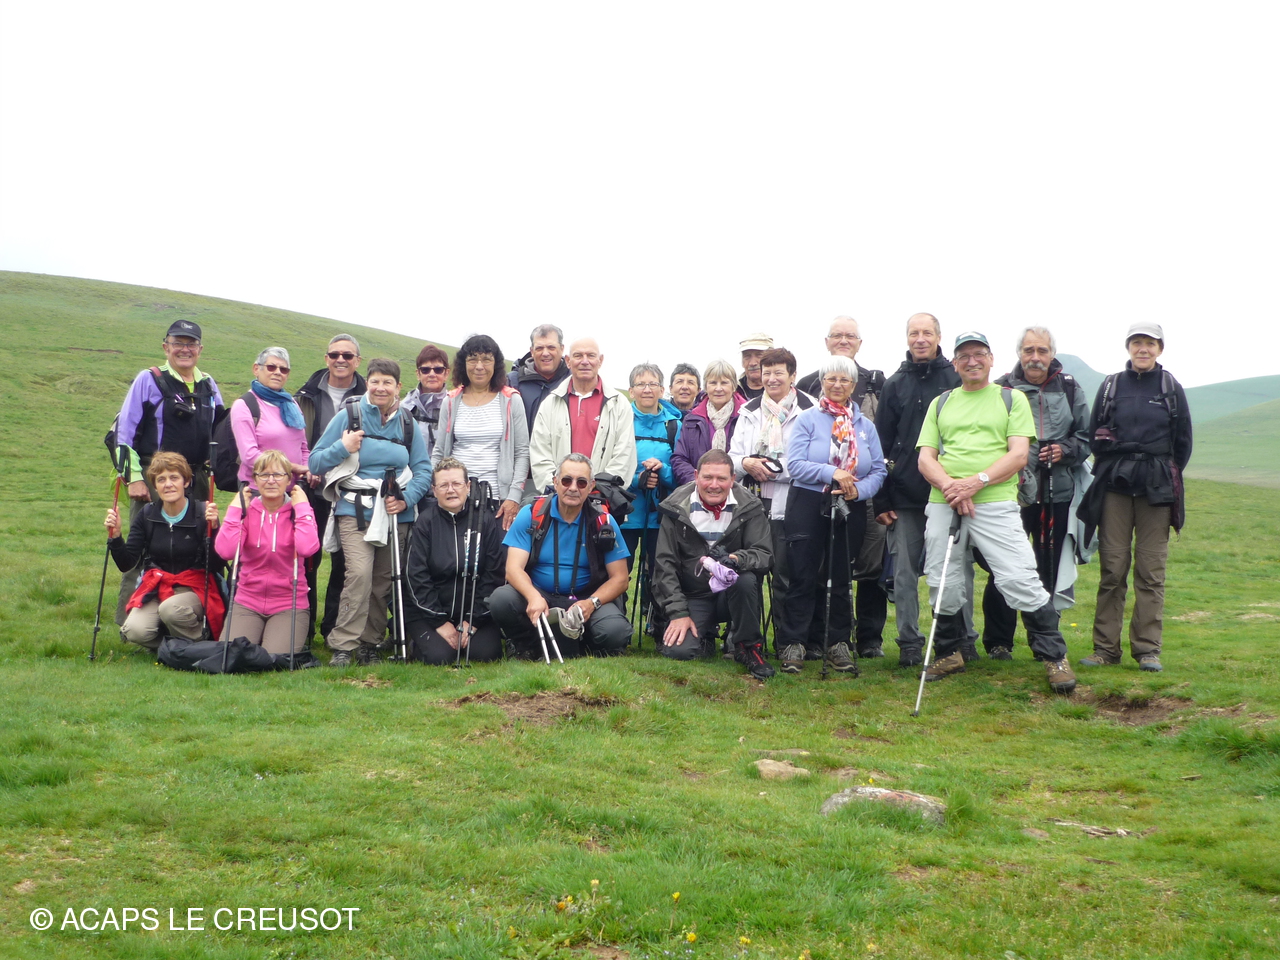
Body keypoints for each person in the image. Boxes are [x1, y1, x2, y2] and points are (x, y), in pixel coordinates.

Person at [915, 332, 1077, 695]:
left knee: (1018, 576)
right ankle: (949, 653)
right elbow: (926, 458)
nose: (972, 361)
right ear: (955, 364)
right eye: (964, 356)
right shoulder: (941, 403)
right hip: (944, 501)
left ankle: (1053, 656)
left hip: (995, 501)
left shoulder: (1010, 399)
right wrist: (952, 487)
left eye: (979, 354)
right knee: (943, 580)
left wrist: (975, 483)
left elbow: (1018, 455)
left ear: (991, 360)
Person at [1080, 322, 1192, 673]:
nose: (1143, 349)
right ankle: (1105, 650)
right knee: (1112, 569)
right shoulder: (1111, 385)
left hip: (1156, 488)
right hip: (1115, 485)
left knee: (1150, 571)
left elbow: (1183, 442)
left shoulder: (1170, 387)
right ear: (1128, 347)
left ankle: (1147, 651)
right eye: (1137, 342)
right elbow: (1094, 435)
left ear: (1160, 349)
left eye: (1150, 343)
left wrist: (1163, 471)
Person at [309, 358, 432, 666]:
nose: (380, 387)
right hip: (355, 510)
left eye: (387, 382)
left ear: (398, 387)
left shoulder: (407, 422)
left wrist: (406, 499)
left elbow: (423, 469)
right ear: (368, 383)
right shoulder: (349, 416)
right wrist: (344, 446)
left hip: (395, 513)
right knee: (359, 575)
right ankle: (343, 645)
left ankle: (369, 644)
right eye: (375, 381)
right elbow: (316, 462)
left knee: (382, 581)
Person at [978, 326, 1091, 659]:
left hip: (1058, 492)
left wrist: (1064, 450)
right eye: (1029, 350)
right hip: (1010, 492)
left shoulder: (1069, 387)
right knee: (1003, 567)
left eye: (1042, 351)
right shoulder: (1002, 389)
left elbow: (1086, 437)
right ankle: (999, 642)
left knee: (1048, 568)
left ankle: (1044, 643)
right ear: (1019, 353)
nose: (1035, 357)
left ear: (1051, 354)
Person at [873, 313, 977, 666]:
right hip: (904, 494)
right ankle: (909, 642)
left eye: (927, 333)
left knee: (957, 568)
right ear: (907, 338)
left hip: (951, 492)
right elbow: (882, 445)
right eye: (914, 333)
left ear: (938, 337)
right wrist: (881, 500)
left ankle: (964, 639)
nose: (920, 339)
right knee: (904, 572)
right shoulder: (894, 384)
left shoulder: (956, 378)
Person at [778, 357, 886, 674]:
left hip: (849, 505)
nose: (837, 385)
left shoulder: (865, 426)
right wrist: (832, 473)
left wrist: (859, 491)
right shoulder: (807, 420)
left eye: (844, 380)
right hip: (809, 501)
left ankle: (838, 642)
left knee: (841, 576)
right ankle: (794, 642)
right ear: (822, 383)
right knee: (802, 574)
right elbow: (795, 465)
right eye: (831, 379)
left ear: (853, 386)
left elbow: (878, 471)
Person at [112, 319, 223, 625]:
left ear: (200, 349)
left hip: (197, 479)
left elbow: (219, 431)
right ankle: (131, 622)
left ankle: (197, 618)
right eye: (178, 343)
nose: (185, 350)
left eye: (191, 344)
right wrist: (135, 478)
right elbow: (124, 433)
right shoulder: (149, 379)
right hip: (154, 478)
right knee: (142, 550)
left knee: (200, 548)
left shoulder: (209, 385)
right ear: (166, 347)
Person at [797, 316, 890, 658]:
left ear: (860, 343)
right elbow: (798, 456)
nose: (843, 340)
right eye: (837, 335)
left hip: (862, 496)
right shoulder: (808, 385)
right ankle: (814, 638)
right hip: (815, 497)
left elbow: (882, 452)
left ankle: (866, 639)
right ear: (826, 341)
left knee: (865, 569)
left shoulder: (877, 382)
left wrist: (866, 491)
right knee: (814, 569)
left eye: (850, 335)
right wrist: (831, 474)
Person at [490, 454, 633, 658]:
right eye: (566, 480)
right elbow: (513, 569)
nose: (573, 488)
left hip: (585, 596)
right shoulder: (531, 514)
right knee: (501, 600)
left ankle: (582, 643)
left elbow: (620, 579)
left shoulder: (604, 521)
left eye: (581, 482)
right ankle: (524, 644)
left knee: (616, 631)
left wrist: (591, 603)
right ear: (555, 482)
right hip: (540, 594)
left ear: (591, 486)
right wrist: (533, 596)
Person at [651, 450, 776, 679]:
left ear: (733, 479)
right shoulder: (675, 507)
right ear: (696, 476)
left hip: (732, 592)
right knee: (679, 652)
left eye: (721, 478)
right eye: (707, 477)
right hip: (693, 594)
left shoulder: (750, 506)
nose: (714, 485)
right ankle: (705, 634)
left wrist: (736, 559)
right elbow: (664, 565)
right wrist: (678, 613)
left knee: (746, 579)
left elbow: (764, 554)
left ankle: (748, 647)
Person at [729, 347, 815, 652]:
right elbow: (733, 456)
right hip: (752, 506)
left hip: (791, 506)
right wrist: (746, 464)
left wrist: (772, 469)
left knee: (785, 578)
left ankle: (787, 641)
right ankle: (745, 640)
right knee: (748, 574)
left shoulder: (810, 409)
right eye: (767, 373)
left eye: (779, 372)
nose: (772, 378)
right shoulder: (748, 410)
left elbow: (812, 460)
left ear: (793, 376)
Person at [105, 451, 223, 650]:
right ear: (155, 485)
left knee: (170, 609)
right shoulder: (147, 514)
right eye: (161, 479)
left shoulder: (202, 512)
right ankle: (175, 648)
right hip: (158, 586)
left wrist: (215, 529)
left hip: (195, 588)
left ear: (186, 482)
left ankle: (202, 645)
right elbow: (127, 563)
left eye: (174, 478)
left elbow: (217, 564)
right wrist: (116, 537)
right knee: (134, 630)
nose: (168, 484)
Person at [295, 334, 367, 641]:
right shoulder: (305, 395)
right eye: (335, 354)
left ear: (357, 361)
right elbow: (298, 438)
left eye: (347, 355)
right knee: (309, 558)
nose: (340, 359)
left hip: (351, 490)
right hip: (312, 489)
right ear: (326, 358)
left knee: (345, 561)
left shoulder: (370, 395)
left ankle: (333, 629)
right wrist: (308, 468)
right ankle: (303, 628)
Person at [216, 450, 320, 658]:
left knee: (275, 659)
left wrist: (302, 506)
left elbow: (307, 548)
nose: (271, 480)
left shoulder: (299, 511)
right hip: (247, 601)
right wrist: (235, 510)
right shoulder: (246, 511)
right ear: (255, 480)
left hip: (289, 603)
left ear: (288, 480)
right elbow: (225, 551)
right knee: (232, 656)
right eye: (264, 475)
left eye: (278, 475)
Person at [404, 458, 506, 664]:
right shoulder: (425, 522)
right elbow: (416, 576)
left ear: (467, 486)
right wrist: (440, 622)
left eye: (456, 484)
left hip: (474, 613)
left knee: (485, 654)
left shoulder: (485, 520)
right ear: (434, 491)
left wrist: (473, 621)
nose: (451, 490)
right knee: (440, 656)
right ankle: (414, 640)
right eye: (443, 485)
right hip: (430, 613)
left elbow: (494, 573)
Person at [431, 334, 530, 531]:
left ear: (496, 364)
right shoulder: (450, 401)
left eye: (486, 359)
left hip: (498, 502)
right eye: (472, 359)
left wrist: (513, 497)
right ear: (463, 363)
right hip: (456, 499)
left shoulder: (511, 400)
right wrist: (439, 489)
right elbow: (439, 451)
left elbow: (522, 453)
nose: (479, 366)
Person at [621, 363, 684, 635]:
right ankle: (616, 625)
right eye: (640, 384)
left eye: (653, 384)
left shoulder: (674, 425)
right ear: (631, 390)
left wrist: (663, 472)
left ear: (662, 389)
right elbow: (611, 464)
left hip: (660, 513)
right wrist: (637, 479)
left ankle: (659, 626)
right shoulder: (620, 420)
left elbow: (681, 467)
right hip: (624, 512)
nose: (647, 389)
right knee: (618, 571)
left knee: (660, 572)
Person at [528, 338, 636, 495]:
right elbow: (540, 454)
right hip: (558, 497)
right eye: (578, 356)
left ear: (600, 360)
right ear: (568, 361)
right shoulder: (550, 403)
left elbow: (624, 455)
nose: (585, 361)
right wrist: (560, 489)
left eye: (591, 355)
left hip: (602, 498)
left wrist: (597, 491)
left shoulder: (619, 404)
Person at [229, 347, 310, 490]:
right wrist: (293, 468)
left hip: (294, 490)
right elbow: (249, 456)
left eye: (283, 369)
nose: (278, 372)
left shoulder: (292, 404)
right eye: (271, 367)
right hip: (260, 491)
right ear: (256, 369)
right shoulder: (244, 405)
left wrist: (307, 469)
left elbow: (303, 447)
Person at [672, 360, 744, 485]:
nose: (718, 388)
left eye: (724, 383)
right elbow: (680, 458)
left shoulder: (746, 416)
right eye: (713, 383)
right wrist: (699, 483)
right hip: (698, 488)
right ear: (706, 387)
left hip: (738, 489)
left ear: (733, 386)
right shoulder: (692, 419)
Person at [508, 324, 570, 430]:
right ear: (532, 351)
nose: (545, 353)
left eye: (551, 347)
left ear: (562, 349)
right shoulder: (513, 382)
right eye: (539, 348)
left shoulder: (574, 381)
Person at [403, 344, 450, 463]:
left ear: (446, 374)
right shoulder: (403, 407)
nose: (432, 374)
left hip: (443, 471)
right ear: (418, 374)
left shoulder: (454, 407)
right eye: (425, 370)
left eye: (438, 370)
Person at [736, 333, 773, 401]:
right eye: (747, 356)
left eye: (759, 355)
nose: (752, 363)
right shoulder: (732, 390)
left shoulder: (786, 390)